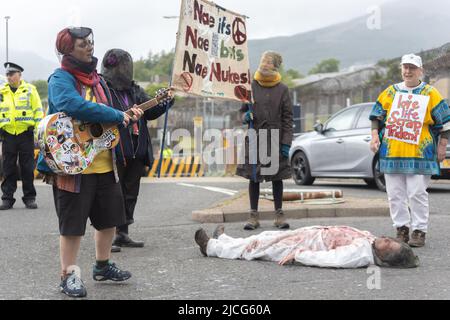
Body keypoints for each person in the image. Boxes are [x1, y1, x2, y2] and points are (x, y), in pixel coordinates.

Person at [37, 27, 144, 298]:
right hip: (72, 163)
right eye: (83, 43)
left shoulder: (98, 81)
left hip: (104, 161)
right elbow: (71, 104)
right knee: (72, 225)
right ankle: (68, 275)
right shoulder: (60, 78)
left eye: (91, 42)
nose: (90, 47)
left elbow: (113, 112)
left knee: (109, 220)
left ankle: (103, 265)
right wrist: (114, 113)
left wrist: (127, 115)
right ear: (68, 49)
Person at [369, 54, 450, 248]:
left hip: (420, 153)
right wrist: (374, 136)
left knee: (416, 193)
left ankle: (419, 230)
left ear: (420, 71)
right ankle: (401, 229)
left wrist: (442, 145)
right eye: (405, 67)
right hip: (392, 152)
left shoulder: (430, 93)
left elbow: (445, 123)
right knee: (395, 194)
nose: (408, 71)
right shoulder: (391, 92)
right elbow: (376, 116)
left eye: (412, 68)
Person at [101, 49, 174, 251]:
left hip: (137, 150)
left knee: (130, 192)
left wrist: (166, 100)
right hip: (115, 150)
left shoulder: (135, 91)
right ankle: (108, 236)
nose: (124, 69)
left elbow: (150, 113)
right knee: (112, 194)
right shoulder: (102, 89)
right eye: (121, 65)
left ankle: (123, 233)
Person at [236, 51, 294, 231]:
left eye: (268, 62)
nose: (264, 64)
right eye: (263, 61)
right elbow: (241, 111)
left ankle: (279, 214)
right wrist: (245, 116)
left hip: (276, 139)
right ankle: (253, 215)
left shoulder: (283, 89)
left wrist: (286, 143)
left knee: (277, 178)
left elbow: (288, 118)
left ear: (275, 66)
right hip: (255, 136)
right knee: (254, 177)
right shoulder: (250, 86)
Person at [194, 225, 419, 269]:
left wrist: (299, 255)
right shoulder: (370, 242)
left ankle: (212, 247)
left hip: (304, 245)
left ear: (385, 258)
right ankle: (226, 241)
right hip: (308, 234)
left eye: (388, 245)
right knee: (265, 236)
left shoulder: (360, 254)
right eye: (391, 240)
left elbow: (332, 259)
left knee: (258, 247)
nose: (387, 239)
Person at [0, 62, 43, 210]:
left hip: (26, 134)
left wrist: (38, 132)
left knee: (27, 167)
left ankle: (29, 198)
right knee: (8, 168)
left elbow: (38, 111)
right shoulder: (2, 92)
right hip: (8, 135)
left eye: (12, 74)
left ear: (19, 75)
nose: (9, 77)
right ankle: (7, 198)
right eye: (7, 74)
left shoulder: (30, 90)